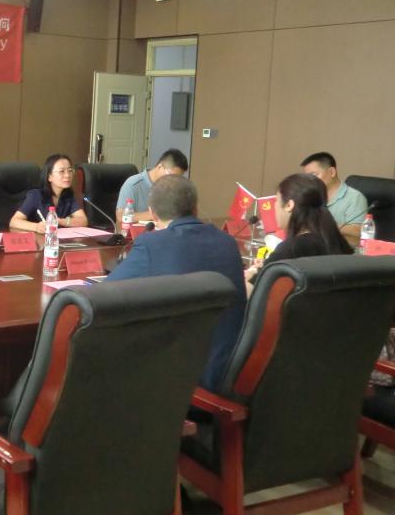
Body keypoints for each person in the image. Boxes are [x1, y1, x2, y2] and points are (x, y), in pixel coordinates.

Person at [106, 175, 245, 391]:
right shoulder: (227, 242)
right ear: (195, 208)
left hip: (180, 378)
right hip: (228, 367)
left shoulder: (152, 243)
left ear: (152, 213)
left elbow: (105, 295)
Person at [244, 173, 353, 295]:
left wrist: (252, 273)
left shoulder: (290, 249)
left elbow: (250, 293)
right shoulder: (338, 242)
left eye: (277, 200)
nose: (275, 206)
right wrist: (268, 266)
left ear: (289, 205)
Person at [8, 153, 88, 234]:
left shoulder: (68, 195)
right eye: (61, 171)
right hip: (36, 239)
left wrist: (59, 221)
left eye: (70, 170)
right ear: (49, 177)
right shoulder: (35, 196)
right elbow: (14, 222)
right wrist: (37, 227)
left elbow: (83, 221)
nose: (67, 175)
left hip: (57, 238)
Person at [300, 151, 368, 243]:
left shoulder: (355, 198)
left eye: (313, 175)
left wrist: (325, 225)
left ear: (332, 172)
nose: (310, 181)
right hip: (315, 246)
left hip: (342, 250)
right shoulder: (312, 196)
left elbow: (359, 231)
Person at [115, 148, 189, 226]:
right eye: (171, 176)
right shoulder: (133, 184)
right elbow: (120, 216)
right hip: (138, 232)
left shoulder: (173, 187)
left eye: (177, 178)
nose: (173, 181)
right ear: (160, 167)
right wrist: (155, 215)